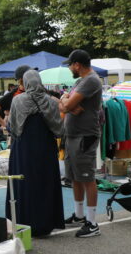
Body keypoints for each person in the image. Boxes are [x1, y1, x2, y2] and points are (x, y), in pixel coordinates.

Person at [6, 71, 65, 237]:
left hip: (23, 149)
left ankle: (23, 222)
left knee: (23, 183)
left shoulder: (18, 100)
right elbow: (59, 129)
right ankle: (46, 223)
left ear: (26, 83)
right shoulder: (52, 102)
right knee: (45, 182)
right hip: (46, 148)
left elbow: (12, 126)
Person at [59, 49, 103, 238]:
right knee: (75, 176)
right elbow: (66, 105)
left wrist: (66, 103)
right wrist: (66, 102)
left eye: (70, 64)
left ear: (77, 64)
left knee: (87, 177)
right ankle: (79, 215)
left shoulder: (91, 80)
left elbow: (67, 106)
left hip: (85, 135)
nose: (70, 68)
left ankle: (92, 223)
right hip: (73, 134)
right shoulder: (80, 82)